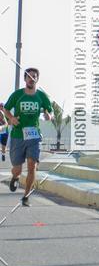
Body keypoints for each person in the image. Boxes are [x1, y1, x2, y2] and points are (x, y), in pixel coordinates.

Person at [3, 68, 53, 206]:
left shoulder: (41, 96)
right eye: (29, 77)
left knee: (32, 166)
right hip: (18, 135)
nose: (32, 79)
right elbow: (6, 109)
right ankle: (15, 177)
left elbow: (49, 111)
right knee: (17, 169)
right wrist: (12, 118)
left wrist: (49, 115)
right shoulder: (17, 95)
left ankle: (26, 196)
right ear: (25, 79)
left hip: (33, 136)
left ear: (37, 79)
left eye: (34, 76)